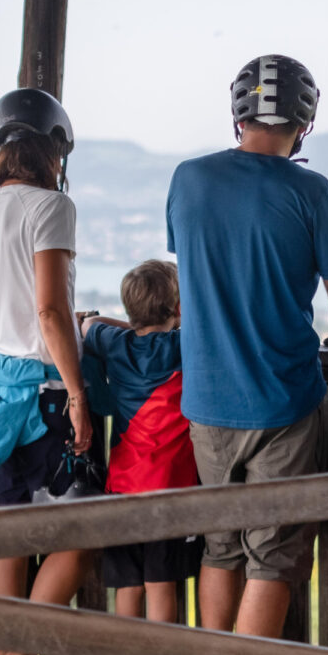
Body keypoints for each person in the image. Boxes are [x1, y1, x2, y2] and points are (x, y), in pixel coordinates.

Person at [166, 54, 328, 639]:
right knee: (273, 556)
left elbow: (198, 269)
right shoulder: (311, 190)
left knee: (221, 545)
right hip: (281, 399)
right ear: (303, 124)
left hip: (205, 399)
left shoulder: (189, 178)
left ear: (238, 113)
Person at [0, 88, 94, 655]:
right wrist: (79, 392)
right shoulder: (50, 206)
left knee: (10, 527)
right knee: (80, 531)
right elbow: (51, 312)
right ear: (54, 148)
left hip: (0, 392)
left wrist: (10, 323)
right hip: (48, 395)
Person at [80, 259, 201, 625]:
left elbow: (88, 325)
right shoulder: (185, 344)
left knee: (129, 586)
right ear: (178, 308)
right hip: (171, 486)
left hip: (123, 484)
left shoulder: (116, 344)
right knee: (161, 583)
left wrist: (124, 325)